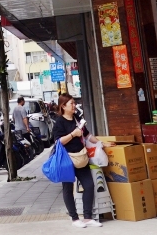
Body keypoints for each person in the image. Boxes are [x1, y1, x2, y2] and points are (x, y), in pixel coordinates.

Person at [49, 93, 99, 228]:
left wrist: (101, 144)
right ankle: (75, 218)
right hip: (67, 159)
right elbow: (58, 141)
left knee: (89, 185)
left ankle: (88, 217)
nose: (74, 105)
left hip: (81, 157)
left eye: (74, 103)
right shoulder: (59, 122)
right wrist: (73, 134)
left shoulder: (77, 118)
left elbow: (88, 135)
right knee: (68, 188)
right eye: (71, 103)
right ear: (63, 106)